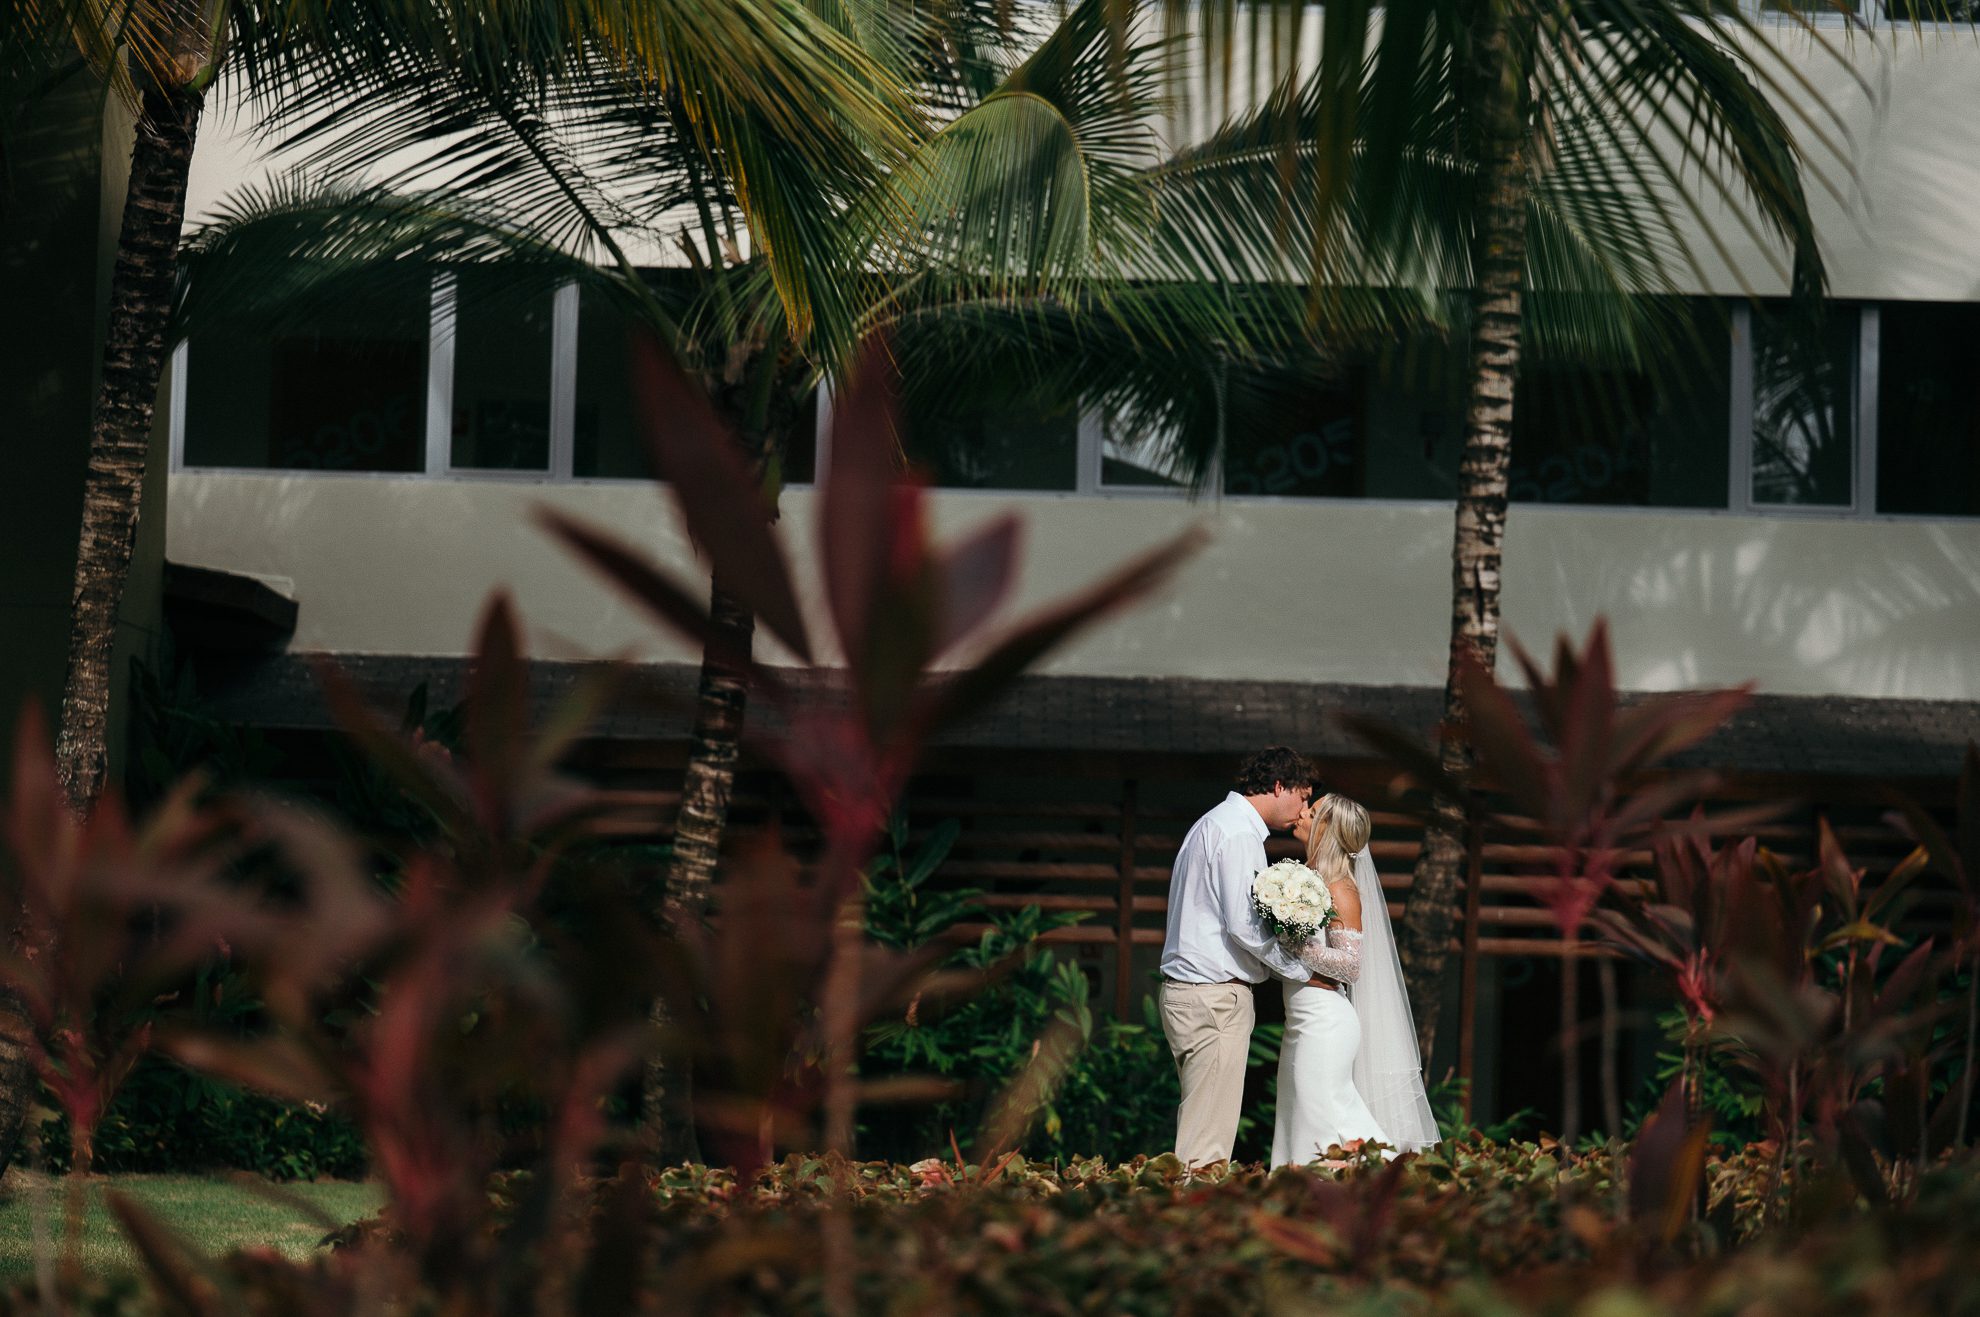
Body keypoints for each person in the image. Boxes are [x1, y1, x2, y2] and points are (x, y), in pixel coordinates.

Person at [1158, 746, 1317, 1169]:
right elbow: (1244, 926)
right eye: (1303, 796)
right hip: (1214, 998)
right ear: (1279, 785)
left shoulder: (1211, 823)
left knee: (1200, 1124)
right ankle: (1190, 1226)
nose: (1304, 809)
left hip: (1189, 995)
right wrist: (1299, 970)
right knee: (1206, 1145)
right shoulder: (1239, 834)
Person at [1271, 793, 1441, 1167]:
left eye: (1312, 812)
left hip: (1325, 1023)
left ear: (1326, 828)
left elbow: (1350, 966)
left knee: (1329, 1119)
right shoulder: (1307, 882)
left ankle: (1392, 1181)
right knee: (1297, 1122)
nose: (1301, 813)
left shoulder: (1340, 889)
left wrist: (1295, 947)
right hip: (1300, 1020)